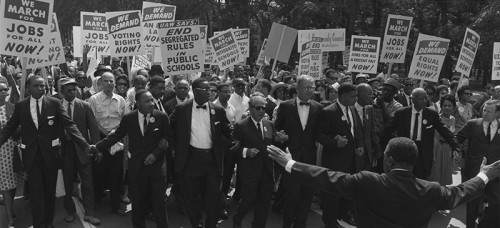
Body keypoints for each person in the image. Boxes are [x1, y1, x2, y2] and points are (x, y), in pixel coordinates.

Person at [266, 137, 500, 228]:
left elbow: (325, 176)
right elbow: (460, 192)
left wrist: (289, 163)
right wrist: (484, 175)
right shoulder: (431, 190)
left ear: (388, 160)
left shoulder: (367, 181)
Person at [0, 75, 90, 228]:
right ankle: (39, 224)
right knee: (36, 193)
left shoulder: (54, 103)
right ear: (29, 88)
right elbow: (9, 128)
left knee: (49, 191)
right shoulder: (21, 106)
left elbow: (70, 124)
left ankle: (48, 222)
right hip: (31, 157)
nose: (41, 88)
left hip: (51, 156)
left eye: (43, 86)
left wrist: (85, 144)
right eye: (37, 86)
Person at [94, 89, 172, 228]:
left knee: (159, 204)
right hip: (137, 169)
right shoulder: (129, 118)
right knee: (137, 204)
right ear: (137, 103)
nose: (151, 103)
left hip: (156, 169)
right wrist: (97, 147)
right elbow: (116, 136)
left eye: (151, 100)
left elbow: (168, 138)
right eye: (146, 101)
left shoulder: (161, 117)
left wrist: (156, 153)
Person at [170, 77, 232, 228]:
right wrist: (172, 147)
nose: (210, 93)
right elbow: (170, 129)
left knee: (213, 196)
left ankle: (210, 224)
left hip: (212, 160)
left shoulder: (217, 110)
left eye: (211, 91)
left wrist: (236, 138)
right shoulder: (182, 109)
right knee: (191, 197)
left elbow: (227, 130)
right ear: (196, 92)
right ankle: (196, 222)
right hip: (191, 159)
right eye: (207, 90)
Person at [274, 75, 322, 228]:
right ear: (298, 88)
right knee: (291, 195)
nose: (310, 90)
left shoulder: (318, 107)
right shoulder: (286, 106)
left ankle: (300, 225)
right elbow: (277, 127)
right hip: (291, 158)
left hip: (309, 158)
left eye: (312, 87)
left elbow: (319, 132)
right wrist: (279, 136)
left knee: (307, 196)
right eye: (307, 87)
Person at [382, 88, 458, 179]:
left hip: (423, 153)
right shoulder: (401, 113)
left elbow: (443, 130)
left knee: (420, 180)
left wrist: (455, 145)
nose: (425, 101)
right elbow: (387, 130)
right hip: (404, 150)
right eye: (421, 98)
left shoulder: (431, 114)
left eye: (426, 98)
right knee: (403, 179)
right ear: (413, 99)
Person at [316, 83, 362, 227]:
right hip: (335, 161)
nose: (356, 99)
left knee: (350, 194)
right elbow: (319, 135)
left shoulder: (353, 110)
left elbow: (356, 130)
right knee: (332, 197)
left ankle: (338, 216)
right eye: (353, 96)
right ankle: (329, 223)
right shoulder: (328, 112)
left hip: (351, 161)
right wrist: (334, 143)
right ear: (343, 96)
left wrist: (359, 146)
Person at [58, 78, 101, 225]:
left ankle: (90, 213)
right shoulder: (56, 106)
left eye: (74, 90)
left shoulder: (84, 105)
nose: (72, 93)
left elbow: (93, 129)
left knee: (88, 181)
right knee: (68, 183)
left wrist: (97, 148)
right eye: (68, 90)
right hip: (65, 149)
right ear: (61, 91)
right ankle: (70, 211)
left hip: (83, 149)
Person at [232, 95, 275, 228]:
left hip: (266, 170)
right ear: (250, 108)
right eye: (258, 108)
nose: (262, 111)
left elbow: (272, 144)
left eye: (264, 107)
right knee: (249, 201)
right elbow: (233, 149)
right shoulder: (241, 126)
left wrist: (280, 139)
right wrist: (246, 151)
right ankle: (237, 218)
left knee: (264, 202)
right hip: (249, 171)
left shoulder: (270, 124)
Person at [88, 72, 127, 216]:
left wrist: (115, 135)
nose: (109, 84)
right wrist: (107, 136)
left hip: (117, 143)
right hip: (100, 142)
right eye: (106, 81)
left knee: (116, 175)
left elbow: (124, 121)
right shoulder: (94, 99)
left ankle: (115, 205)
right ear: (100, 83)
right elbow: (92, 122)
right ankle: (97, 200)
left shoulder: (121, 100)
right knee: (99, 172)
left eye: (112, 81)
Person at [456, 99, 500, 228]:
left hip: (496, 172)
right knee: (472, 204)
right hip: (475, 171)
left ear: (497, 113)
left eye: (489, 111)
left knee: (496, 203)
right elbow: (457, 138)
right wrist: (456, 151)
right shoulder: (472, 124)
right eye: (484, 110)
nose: (485, 113)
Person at [0, 81, 23, 228]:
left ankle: (11, 207)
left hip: (14, 149)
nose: (4, 93)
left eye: (5, 90)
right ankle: (9, 219)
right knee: (7, 185)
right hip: (1, 152)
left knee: (13, 182)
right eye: (0, 90)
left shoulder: (12, 107)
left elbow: (19, 127)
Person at [428, 94, 456, 185]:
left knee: (444, 175)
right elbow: (435, 137)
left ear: (454, 107)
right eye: (445, 105)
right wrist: (434, 154)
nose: (447, 108)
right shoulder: (437, 118)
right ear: (441, 106)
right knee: (435, 175)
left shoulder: (453, 119)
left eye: (449, 105)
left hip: (448, 149)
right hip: (437, 149)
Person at [354, 83, 381, 171]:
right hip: (354, 155)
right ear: (360, 95)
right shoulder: (349, 110)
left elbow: (371, 131)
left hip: (368, 155)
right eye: (369, 93)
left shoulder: (369, 109)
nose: (372, 96)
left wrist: (377, 147)